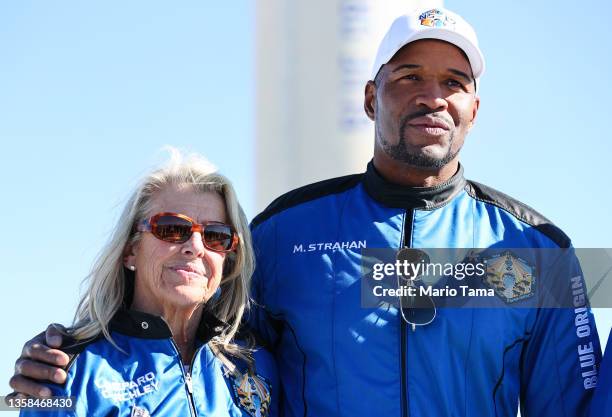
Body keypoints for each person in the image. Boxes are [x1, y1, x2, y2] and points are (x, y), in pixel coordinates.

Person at [8, 7, 603, 417]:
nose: (432, 96)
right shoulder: (284, 233)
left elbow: (580, 406)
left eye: (453, 81)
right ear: (371, 97)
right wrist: (69, 357)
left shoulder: (537, 249)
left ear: (475, 107)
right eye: (409, 77)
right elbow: (187, 348)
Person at [14, 151, 277, 416]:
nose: (195, 247)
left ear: (228, 260)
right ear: (130, 251)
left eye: (215, 235)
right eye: (172, 228)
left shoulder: (257, 363)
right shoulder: (69, 371)